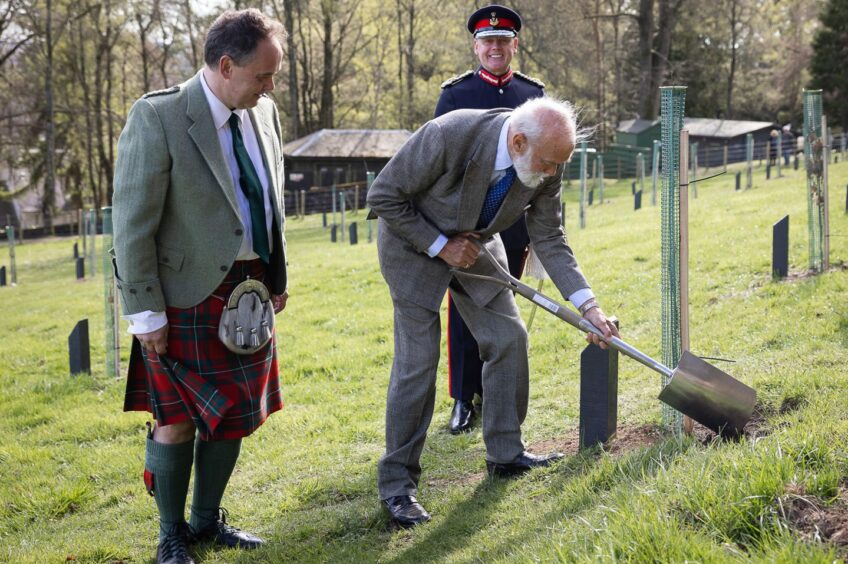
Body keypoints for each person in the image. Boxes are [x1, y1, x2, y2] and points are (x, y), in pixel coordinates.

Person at [367, 97, 619, 528]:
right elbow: (383, 196)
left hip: (476, 246)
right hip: (413, 248)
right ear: (518, 142)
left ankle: (505, 454)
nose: (552, 173)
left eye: (560, 164)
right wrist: (440, 246)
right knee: (418, 363)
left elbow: (550, 237)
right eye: (548, 164)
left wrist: (589, 306)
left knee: (508, 338)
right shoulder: (449, 134)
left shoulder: (546, 160)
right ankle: (397, 486)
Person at [112, 9, 288, 564]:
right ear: (226, 64)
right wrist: (146, 314)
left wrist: (273, 272)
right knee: (176, 419)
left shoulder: (265, 114)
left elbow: (270, 200)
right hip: (183, 297)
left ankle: (208, 522)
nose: (270, 87)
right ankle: (171, 535)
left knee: (234, 412)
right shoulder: (159, 116)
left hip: (249, 290)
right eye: (262, 76)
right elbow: (132, 222)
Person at [435, 4, 547, 434]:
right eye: (488, 41)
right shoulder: (456, 95)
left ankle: (492, 391)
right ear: (476, 46)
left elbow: (543, 164)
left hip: (514, 225)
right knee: (465, 312)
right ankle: (464, 399)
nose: (495, 48)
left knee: (504, 312)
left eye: (503, 41)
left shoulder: (532, 94)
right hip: (467, 227)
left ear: (514, 45)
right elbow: (441, 163)